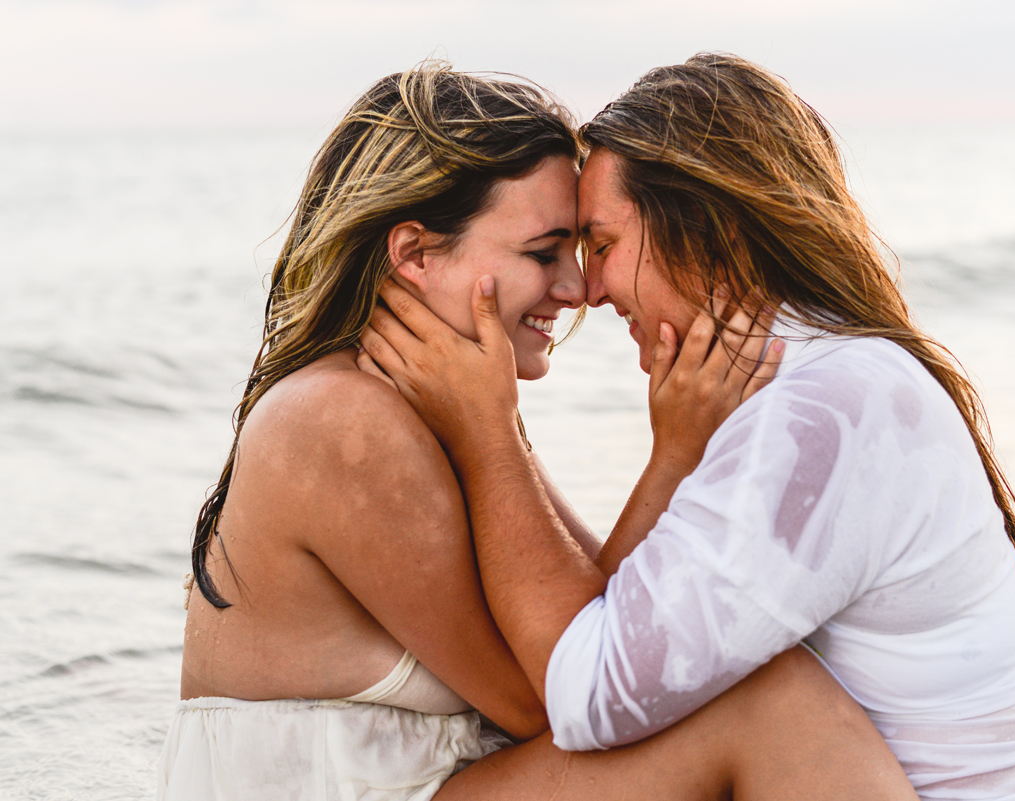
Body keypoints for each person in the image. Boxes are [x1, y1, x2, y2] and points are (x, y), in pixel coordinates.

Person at [161, 62, 915, 801]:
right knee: (766, 703)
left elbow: (605, 626)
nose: (578, 287)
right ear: (416, 253)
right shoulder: (341, 421)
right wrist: (676, 456)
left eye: (583, 250)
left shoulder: (440, 407)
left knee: (745, 669)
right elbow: (563, 699)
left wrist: (501, 433)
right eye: (542, 252)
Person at [359, 53, 1015, 800]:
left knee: (764, 695)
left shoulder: (817, 416)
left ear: (704, 230)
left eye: (602, 244)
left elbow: (584, 692)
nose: (590, 291)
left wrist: (489, 437)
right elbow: (618, 621)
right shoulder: (825, 380)